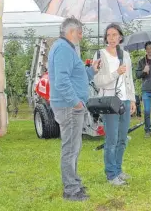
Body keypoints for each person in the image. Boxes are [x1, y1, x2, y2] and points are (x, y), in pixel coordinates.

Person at [49, 17, 100, 201]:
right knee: (70, 148)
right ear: (71, 32)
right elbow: (61, 81)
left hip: (70, 105)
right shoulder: (63, 49)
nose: (81, 36)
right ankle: (71, 190)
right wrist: (76, 102)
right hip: (69, 106)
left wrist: (92, 71)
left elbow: (75, 77)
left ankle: (74, 182)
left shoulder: (67, 48)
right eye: (80, 32)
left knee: (74, 146)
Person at [93, 23, 137, 185]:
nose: (111, 38)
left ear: (120, 37)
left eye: (114, 35)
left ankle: (118, 170)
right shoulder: (100, 54)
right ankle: (111, 174)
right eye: (108, 35)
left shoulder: (125, 55)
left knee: (122, 138)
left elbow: (129, 79)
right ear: (105, 37)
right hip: (110, 102)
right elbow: (98, 81)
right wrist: (115, 73)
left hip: (124, 101)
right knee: (111, 140)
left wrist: (132, 99)